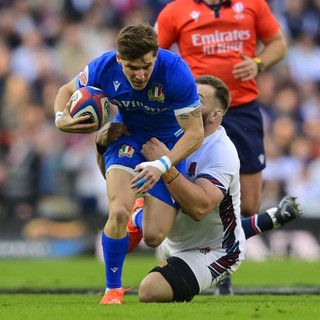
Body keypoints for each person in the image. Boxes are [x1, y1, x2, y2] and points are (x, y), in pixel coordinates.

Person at [96, 75, 302, 302]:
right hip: (172, 237)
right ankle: (269, 218)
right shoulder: (167, 129)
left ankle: (139, 218)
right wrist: (101, 146)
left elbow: (199, 208)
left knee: (150, 290)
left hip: (213, 249)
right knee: (140, 237)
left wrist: (165, 166)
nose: (188, 101)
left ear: (216, 115)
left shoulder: (221, 152)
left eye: (198, 99)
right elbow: (116, 177)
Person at [54, 22, 204, 304]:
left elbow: (195, 133)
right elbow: (65, 91)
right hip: (127, 137)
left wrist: (161, 163)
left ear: (156, 54)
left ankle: (140, 214)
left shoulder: (176, 71)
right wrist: (60, 119)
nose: (140, 74)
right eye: (132, 67)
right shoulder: (103, 67)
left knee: (155, 237)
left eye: (147, 65)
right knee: (118, 210)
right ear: (119, 58)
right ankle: (112, 290)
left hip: (167, 145)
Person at [154, 0, 287, 294]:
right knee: (193, 187)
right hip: (191, 112)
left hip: (242, 108)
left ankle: (247, 230)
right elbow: (153, 55)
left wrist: (258, 63)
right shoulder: (176, 10)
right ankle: (217, 262)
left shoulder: (253, 5)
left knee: (250, 204)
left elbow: (278, 43)